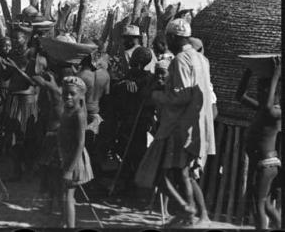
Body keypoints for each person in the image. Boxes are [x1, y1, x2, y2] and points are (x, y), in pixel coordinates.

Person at [138, 19, 216, 226]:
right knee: (185, 174)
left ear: (172, 38)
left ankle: (187, 210)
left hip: (179, 126)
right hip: (195, 125)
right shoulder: (201, 59)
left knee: (159, 173)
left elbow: (181, 97)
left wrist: (156, 95)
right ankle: (193, 215)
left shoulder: (181, 59)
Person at [235, 56, 281, 229]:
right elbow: (240, 96)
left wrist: (276, 76)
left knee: (258, 206)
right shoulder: (263, 108)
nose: (259, 92)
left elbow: (269, 105)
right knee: (266, 205)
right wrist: (248, 71)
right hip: (262, 164)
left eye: (263, 90)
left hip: (267, 165)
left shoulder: (275, 111)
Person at [114, 46, 156, 188]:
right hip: (135, 120)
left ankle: (132, 182)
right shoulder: (133, 77)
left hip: (135, 119)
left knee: (132, 151)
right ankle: (129, 180)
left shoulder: (146, 78)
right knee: (132, 150)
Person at [1, 29, 39, 181]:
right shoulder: (12, 55)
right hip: (13, 98)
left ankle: (28, 169)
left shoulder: (32, 56)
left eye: (19, 39)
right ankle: (17, 171)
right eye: (14, 39)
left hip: (27, 100)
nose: (16, 42)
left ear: (26, 38)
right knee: (12, 136)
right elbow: (6, 76)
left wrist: (15, 68)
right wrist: (3, 67)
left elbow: (32, 81)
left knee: (27, 135)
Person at [59, 76, 94, 228]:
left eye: (72, 93)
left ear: (80, 95)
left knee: (68, 196)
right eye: (65, 93)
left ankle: (70, 226)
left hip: (75, 158)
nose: (68, 96)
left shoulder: (79, 114)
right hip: (66, 155)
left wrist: (69, 170)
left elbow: (80, 143)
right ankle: (64, 223)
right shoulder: (67, 110)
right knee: (64, 194)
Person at [32, 70, 64, 215]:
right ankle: (52, 207)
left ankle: (55, 208)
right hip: (56, 138)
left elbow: (37, 79)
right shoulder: (60, 94)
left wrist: (47, 80)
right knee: (52, 177)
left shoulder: (57, 94)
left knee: (53, 178)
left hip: (54, 139)